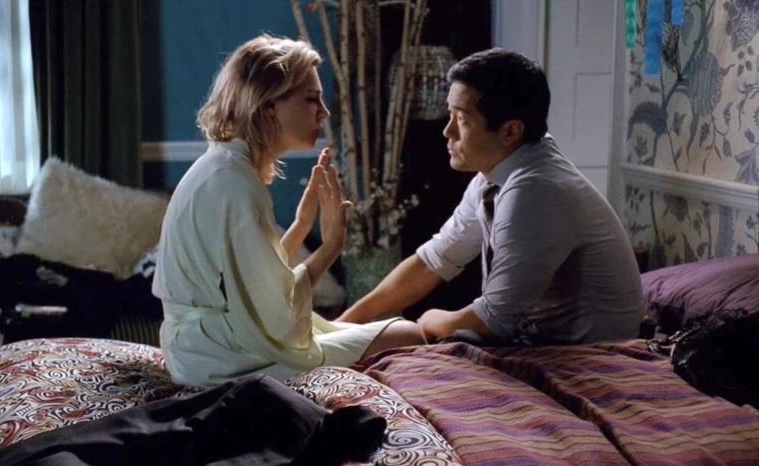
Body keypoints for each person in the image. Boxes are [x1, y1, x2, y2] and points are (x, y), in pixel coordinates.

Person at [153, 35, 425, 388]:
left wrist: (301, 223)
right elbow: (276, 317)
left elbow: (256, 279)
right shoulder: (237, 182)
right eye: (311, 99)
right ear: (268, 105)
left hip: (201, 345)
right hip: (220, 356)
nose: (323, 112)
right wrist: (330, 247)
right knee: (408, 334)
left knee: (367, 330)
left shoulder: (226, 166)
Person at [338, 48, 642, 345]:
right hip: (537, 340)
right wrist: (343, 323)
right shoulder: (498, 172)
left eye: (461, 119)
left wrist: (431, 319)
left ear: (510, 132)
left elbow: (492, 321)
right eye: (450, 114)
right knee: (396, 339)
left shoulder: (535, 191)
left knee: (406, 338)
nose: (447, 131)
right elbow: (434, 261)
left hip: (588, 354)